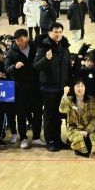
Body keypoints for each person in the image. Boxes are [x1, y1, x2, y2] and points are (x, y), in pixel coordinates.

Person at [34, 22, 71, 152]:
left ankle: (58, 139)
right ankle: (50, 141)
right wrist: (46, 59)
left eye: (60, 32)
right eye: (55, 32)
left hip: (62, 88)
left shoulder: (64, 47)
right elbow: (36, 66)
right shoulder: (43, 47)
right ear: (50, 32)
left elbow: (67, 67)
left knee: (59, 116)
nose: (58, 34)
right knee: (49, 116)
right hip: (48, 88)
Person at [5, 28, 44, 148]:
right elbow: (6, 69)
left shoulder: (35, 48)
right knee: (21, 114)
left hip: (36, 87)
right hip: (20, 88)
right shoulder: (11, 52)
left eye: (21, 40)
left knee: (37, 113)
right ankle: (23, 138)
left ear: (27, 38)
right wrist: (14, 67)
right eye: (17, 40)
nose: (19, 42)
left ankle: (36, 137)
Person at [59, 79, 95, 158]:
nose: (80, 88)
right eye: (77, 86)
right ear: (73, 88)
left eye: (82, 86)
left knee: (94, 148)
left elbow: (94, 119)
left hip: (89, 130)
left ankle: (77, 146)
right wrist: (65, 94)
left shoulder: (92, 100)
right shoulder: (69, 99)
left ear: (85, 88)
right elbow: (62, 110)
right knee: (80, 141)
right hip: (74, 129)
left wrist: (86, 131)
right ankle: (77, 145)